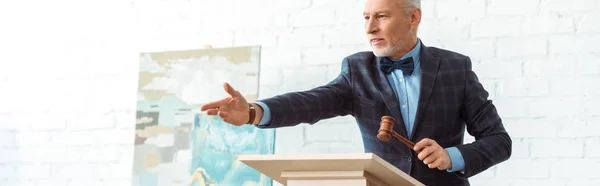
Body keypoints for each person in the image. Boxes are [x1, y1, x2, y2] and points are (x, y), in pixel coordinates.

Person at [200, 0, 512, 185]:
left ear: (413, 18)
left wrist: (450, 156)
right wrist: (255, 112)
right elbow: (312, 102)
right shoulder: (357, 69)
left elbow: (499, 141)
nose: (370, 28)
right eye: (366, 17)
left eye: (382, 16)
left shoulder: (455, 68)